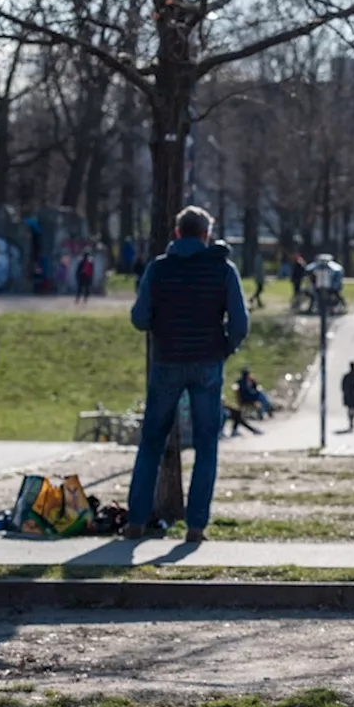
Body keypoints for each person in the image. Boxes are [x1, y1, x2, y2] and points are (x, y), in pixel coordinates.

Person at [124, 205, 249, 543]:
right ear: (206, 234)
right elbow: (240, 324)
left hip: (166, 361)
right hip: (208, 362)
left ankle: (135, 520)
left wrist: (160, 324)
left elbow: (139, 318)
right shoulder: (223, 269)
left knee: (152, 440)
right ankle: (196, 526)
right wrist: (223, 347)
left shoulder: (159, 269)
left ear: (177, 233)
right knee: (207, 443)